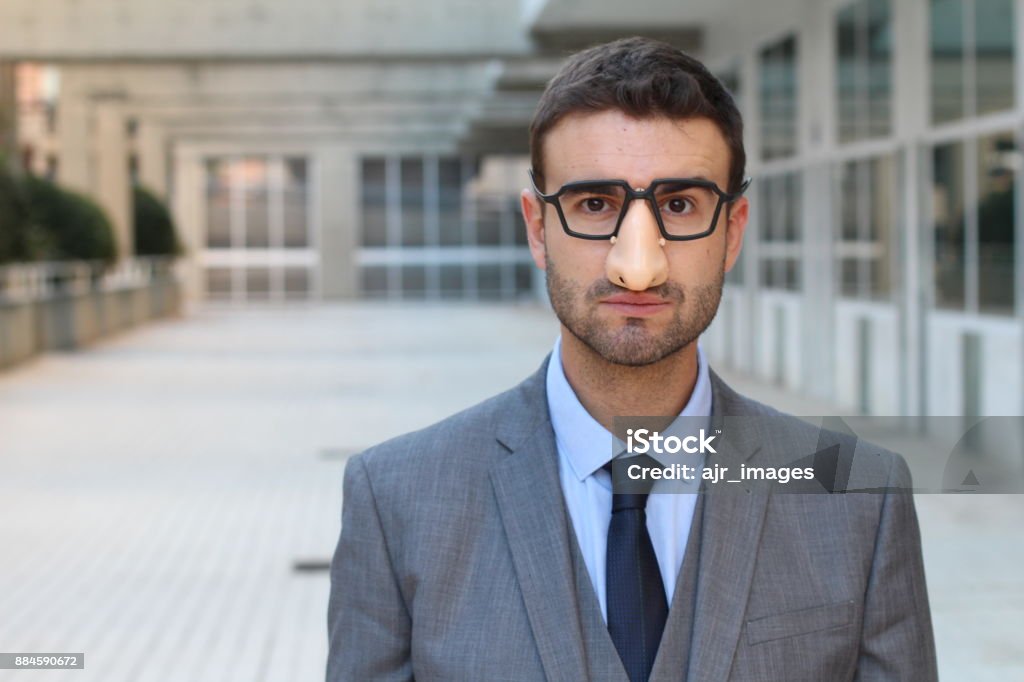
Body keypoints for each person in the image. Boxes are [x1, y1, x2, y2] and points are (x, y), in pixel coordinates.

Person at [326, 37, 938, 681]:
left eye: (679, 206)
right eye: (595, 205)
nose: (636, 269)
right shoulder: (398, 498)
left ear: (731, 232)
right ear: (538, 229)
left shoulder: (860, 499)